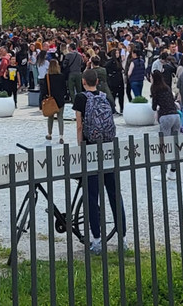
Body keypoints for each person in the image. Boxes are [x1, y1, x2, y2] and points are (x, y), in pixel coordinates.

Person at [74, 71, 126, 255]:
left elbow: (80, 126)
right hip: (108, 148)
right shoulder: (106, 98)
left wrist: (80, 146)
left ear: (83, 81)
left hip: (91, 150)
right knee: (114, 193)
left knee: (91, 196)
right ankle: (123, 238)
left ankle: (96, 240)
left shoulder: (81, 98)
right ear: (97, 81)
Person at [42, 55, 68, 144]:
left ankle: (49, 134)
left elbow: (44, 89)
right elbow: (64, 88)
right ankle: (61, 136)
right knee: (60, 117)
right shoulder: (61, 76)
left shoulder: (47, 77)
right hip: (60, 99)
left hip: (51, 99)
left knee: (50, 117)